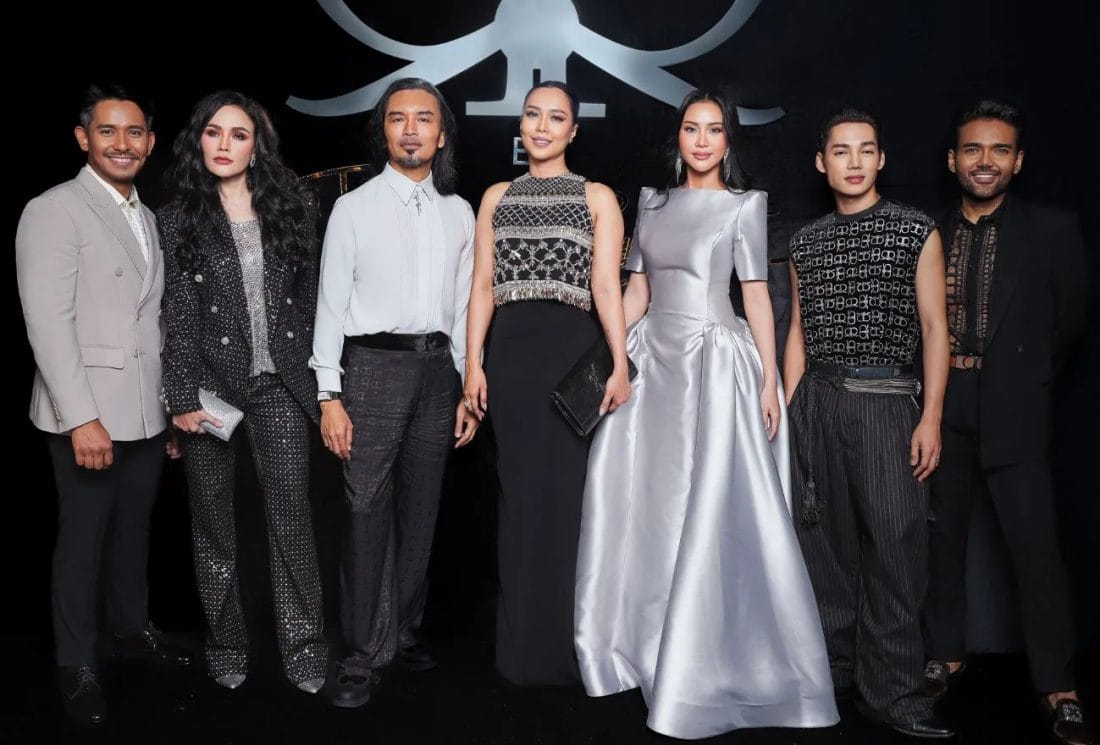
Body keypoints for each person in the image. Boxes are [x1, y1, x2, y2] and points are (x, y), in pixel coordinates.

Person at [573, 90, 839, 738]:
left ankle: (702, 661)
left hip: (713, 363)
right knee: (649, 506)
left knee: (703, 503)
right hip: (652, 364)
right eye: (691, 128)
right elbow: (637, 289)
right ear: (680, 136)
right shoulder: (651, 202)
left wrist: (770, 378)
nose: (701, 140)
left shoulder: (745, 205)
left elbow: (756, 295)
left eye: (713, 130)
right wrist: (613, 357)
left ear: (727, 141)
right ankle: (643, 643)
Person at [15, 83, 190, 727]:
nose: (123, 143)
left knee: (133, 531)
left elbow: (153, 323)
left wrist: (166, 409)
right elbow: (48, 323)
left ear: (150, 142)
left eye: (135, 132)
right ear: (83, 138)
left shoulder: (148, 216)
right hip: (87, 412)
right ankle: (76, 663)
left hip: (142, 408)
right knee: (83, 540)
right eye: (109, 131)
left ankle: (131, 631)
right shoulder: (54, 210)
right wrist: (80, 418)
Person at [923, 100, 1092, 745]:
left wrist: (1024, 378)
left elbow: (1069, 322)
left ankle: (1059, 686)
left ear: (1018, 162)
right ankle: (945, 656)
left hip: (1015, 406)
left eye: (999, 150)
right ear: (953, 160)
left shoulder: (1052, 230)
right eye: (973, 149)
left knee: (1035, 551)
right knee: (941, 542)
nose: (985, 161)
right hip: (942, 403)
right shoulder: (929, 230)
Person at [784, 108, 953, 739]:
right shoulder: (804, 242)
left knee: (895, 551)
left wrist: (930, 417)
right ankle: (833, 678)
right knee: (824, 548)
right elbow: (798, 333)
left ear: (881, 159)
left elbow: (935, 329)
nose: (853, 162)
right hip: (818, 400)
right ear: (821, 162)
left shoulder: (915, 230)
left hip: (886, 400)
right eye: (840, 151)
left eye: (866, 150)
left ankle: (897, 696)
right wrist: (794, 412)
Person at [311, 78, 479, 708]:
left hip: (438, 373)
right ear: (383, 131)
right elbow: (329, 305)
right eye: (398, 118)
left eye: (423, 119)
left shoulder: (459, 212)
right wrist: (329, 395)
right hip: (371, 368)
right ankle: (361, 653)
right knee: (364, 508)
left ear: (442, 134)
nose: (411, 130)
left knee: (421, 508)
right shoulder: (352, 209)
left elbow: (462, 307)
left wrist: (464, 384)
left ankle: (401, 631)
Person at [158, 90, 327, 694]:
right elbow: (177, 314)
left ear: (257, 146)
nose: (224, 145)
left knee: (292, 520)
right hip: (208, 388)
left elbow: (310, 300)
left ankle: (304, 648)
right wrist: (181, 397)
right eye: (213, 132)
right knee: (213, 525)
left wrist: (322, 385)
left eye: (238, 134)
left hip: (279, 383)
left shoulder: (294, 206)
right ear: (197, 141)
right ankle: (226, 645)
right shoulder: (177, 217)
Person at [464, 81, 630, 685]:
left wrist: (618, 363)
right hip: (510, 356)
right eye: (532, 115)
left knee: (568, 503)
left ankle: (566, 651)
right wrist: (472, 363)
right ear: (520, 124)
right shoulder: (496, 196)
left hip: (570, 354)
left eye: (555, 117)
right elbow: (482, 286)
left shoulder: (597, 196)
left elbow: (606, 286)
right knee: (519, 500)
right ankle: (520, 654)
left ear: (573, 130)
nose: (541, 126)